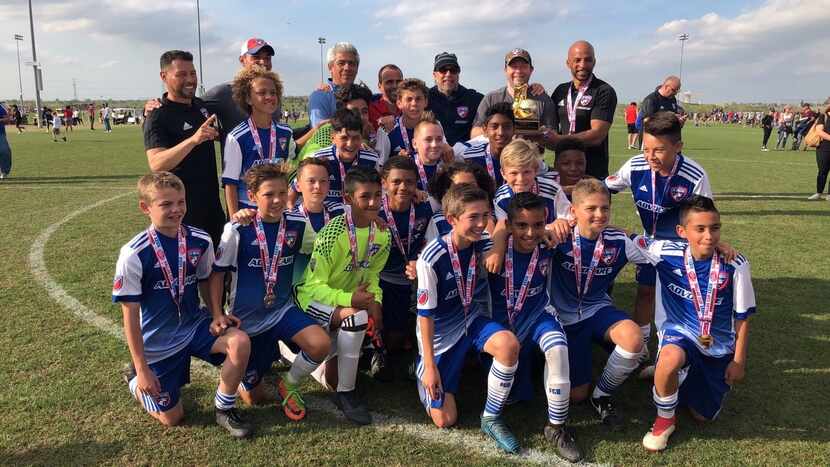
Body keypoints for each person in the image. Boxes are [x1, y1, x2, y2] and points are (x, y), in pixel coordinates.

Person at [113, 172, 253, 437]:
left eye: (181, 202)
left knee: (240, 341)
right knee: (172, 418)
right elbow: (130, 315)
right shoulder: (134, 253)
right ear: (146, 208)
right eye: (166, 204)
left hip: (195, 325)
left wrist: (216, 314)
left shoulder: (199, 239)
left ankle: (224, 409)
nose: (176, 210)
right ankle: (133, 379)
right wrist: (142, 368)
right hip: (159, 341)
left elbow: (207, 279)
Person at [209, 164, 330, 421]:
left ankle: (290, 381)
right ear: (252, 196)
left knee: (320, 344)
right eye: (268, 194)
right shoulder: (238, 230)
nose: (277, 200)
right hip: (246, 320)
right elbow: (217, 274)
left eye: (282, 192)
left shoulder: (298, 224)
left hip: (281, 311)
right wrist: (218, 313)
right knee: (255, 399)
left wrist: (366, 218)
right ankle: (248, 373)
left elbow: (325, 245)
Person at [642, 196, 756, 451]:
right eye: (700, 229)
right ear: (682, 232)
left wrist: (738, 361)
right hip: (679, 333)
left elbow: (743, 317)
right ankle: (664, 419)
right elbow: (623, 236)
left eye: (715, 228)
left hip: (717, 345)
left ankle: (676, 375)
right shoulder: (663, 252)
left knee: (702, 417)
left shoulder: (735, 265)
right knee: (669, 359)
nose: (709, 236)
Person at [415, 184, 522, 454]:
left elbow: (504, 228)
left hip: (472, 322)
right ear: (451, 219)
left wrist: (497, 241)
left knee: (508, 345)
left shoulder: (482, 245)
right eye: (472, 217)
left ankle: (491, 417)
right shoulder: (431, 257)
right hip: (440, 338)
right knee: (445, 419)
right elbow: (424, 317)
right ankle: (420, 368)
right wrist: (430, 365)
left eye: (484, 215)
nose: (480, 223)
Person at [605, 111, 712, 371]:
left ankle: (675, 357)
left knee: (675, 303)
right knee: (644, 293)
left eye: (659, 150)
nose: (650, 156)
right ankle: (640, 350)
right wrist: (566, 195)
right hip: (648, 245)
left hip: (681, 250)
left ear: (678, 147)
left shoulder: (694, 175)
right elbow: (603, 187)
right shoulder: (635, 166)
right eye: (646, 148)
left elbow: (705, 216)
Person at [548, 179, 654, 429]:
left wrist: (714, 247)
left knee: (633, 339)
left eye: (605, 208)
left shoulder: (619, 241)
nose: (600, 214)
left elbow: (660, 251)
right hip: (562, 318)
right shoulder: (558, 237)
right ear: (573, 211)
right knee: (575, 397)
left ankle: (602, 394)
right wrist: (550, 227)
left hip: (596, 309)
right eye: (591, 208)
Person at [487, 192, 581, 462]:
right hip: (499, 324)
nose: (530, 233)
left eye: (538, 225)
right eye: (521, 226)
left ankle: (556, 426)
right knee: (517, 394)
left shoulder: (550, 244)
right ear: (509, 225)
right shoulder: (492, 248)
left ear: (546, 223)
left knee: (558, 347)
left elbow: (589, 230)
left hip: (536, 314)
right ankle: (492, 416)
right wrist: (497, 242)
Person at [296, 167, 390, 425]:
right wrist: (350, 301)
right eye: (365, 197)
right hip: (312, 300)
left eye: (377, 196)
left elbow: (372, 276)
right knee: (357, 317)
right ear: (348, 199)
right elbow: (313, 286)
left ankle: (325, 370)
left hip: (349, 302)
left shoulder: (382, 233)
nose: (373, 203)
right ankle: (345, 394)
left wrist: (376, 301)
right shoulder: (331, 234)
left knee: (359, 319)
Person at [143, 50, 225, 247]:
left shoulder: (201, 106)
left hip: (212, 209)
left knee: (218, 271)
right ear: (164, 76)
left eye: (193, 73)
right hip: (180, 213)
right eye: (181, 74)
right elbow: (157, 163)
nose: (190, 80)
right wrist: (193, 139)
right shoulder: (157, 115)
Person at [146, 38, 281, 156]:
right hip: (238, 180)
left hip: (272, 175)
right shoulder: (224, 92)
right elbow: (185, 105)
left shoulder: (273, 96)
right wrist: (153, 106)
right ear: (242, 60)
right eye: (256, 57)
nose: (263, 62)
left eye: (267, 58)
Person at [375, 156, 434, 380]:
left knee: (400, 338)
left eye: (409, 182)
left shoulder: (425, 207)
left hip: (413, 278)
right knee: (391, 340)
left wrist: (420, 259)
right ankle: (375, 348)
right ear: (384, 183)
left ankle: (413, 348)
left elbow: (435, 237)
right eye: (396, 181)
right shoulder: (373, 210)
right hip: (380, 279)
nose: (403, 187)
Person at [221, 65, 296, 216]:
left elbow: (288, 176)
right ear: (248, 98)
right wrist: (235, 219)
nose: (269, 97)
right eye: (262, 93)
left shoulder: (285, 132)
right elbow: (230, 184)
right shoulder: (237, 137)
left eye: (273, 92)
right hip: (248, 213)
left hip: (277, 211)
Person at [547, 41, 617, 179]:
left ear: (594, 62)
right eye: (577, 60)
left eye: (588, 60)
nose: (583, 65)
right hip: (562, 173)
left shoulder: (604, 91)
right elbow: (550, 128)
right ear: (568, 63)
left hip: (592, 173)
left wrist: (560, 140)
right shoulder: (560, 90)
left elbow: (597, 135)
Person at [300, 109, 380, 206]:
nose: (350, 144)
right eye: (344, 138)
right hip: (327, 218)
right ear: (333, 138)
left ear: (361, 137)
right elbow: (295, 190)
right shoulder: (317, 158)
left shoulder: (372, 160)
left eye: (356, 138)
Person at [472, 49, 555, 140]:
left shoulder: (543, 99)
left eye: (523, 66)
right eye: (514, 66)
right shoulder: (491, 98)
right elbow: (474, 133)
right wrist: (502, 130)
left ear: (531, 70)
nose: (518, 71)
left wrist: (534, 131)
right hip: (499, 154)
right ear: (505, 70)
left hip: (531, 153)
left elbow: (552, 134)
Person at [425, 161, 496, 241]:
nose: (468, 190)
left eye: (472, 185)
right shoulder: (438, 221)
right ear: (447, 190)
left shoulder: (490, 213)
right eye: (461, 186)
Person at [427, 52, 484, 146]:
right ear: (434, 75)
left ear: (458, 73)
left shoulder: (475, 99)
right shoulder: (424, 98)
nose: (448, 74)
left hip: (465, 156)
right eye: (443, 70)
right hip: (435, 152)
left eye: (453, 70)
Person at [458, 103, 515, 187]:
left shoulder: (524, 157)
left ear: (514, 129)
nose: (500, 132)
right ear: (485, 130)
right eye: (494, 126)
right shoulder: (470, 157)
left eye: (506, 126)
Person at [308, 42, 360, 127]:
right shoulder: (321, 97)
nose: (347, 68)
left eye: (351, 63)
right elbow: (321, 134)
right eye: (341, 63)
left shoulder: (362, 95)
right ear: (330, 67)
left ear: (357, 68)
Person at [386, 78, 430, 160]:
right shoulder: (387, 130)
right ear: (399, 103)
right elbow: (379, 167)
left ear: (426, 102)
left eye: (418, 99)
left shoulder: (435, 126)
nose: (414, 103)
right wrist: (396, 162)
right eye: (409, 99)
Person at [369, 64, 402, 131]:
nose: (395, 86)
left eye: (398, 82)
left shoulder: (409, 109)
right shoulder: (370, 111)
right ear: (379, 86)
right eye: (389, 82)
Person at [808, 105, 830, 201]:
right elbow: (819, 132)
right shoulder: (823, 116)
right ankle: (819, 192)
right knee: (822, 171)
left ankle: (829, 194)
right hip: (823, 148)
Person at [0, 102, 11, 179]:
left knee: (5, 152)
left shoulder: (0, 108)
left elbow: (7, 120)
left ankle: (4, 172)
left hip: (0, 134)